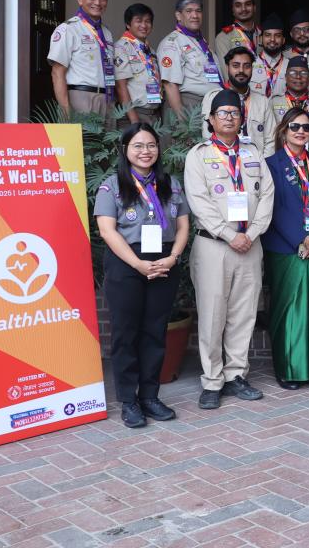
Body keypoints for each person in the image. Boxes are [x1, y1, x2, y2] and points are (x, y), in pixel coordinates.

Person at [183, 90, 275, 409]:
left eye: (234, 113)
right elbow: (199, 200)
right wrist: (228, 234)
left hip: (249, 244)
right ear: (210, 119)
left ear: (242, 119)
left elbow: (267, 197)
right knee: (212, 315)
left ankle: (236, 375)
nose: (229, 117)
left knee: (243, 314)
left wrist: (251, 232)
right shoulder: (198, 155)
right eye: (222, 113)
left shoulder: (253, 153)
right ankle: (212, 380)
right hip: (213, 245)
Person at [94, 123, 189, 427]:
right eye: (138, 145)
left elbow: (184, 225)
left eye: (150, 145)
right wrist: (137, 264)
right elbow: (107, 230)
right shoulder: (112, 185)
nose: (145, 151)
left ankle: (150, 396)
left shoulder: (171, 184)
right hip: (126, 264)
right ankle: (129, 401)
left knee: (155, 331)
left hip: (163, 262)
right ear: (125, 150)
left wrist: (173, 257)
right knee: (126, 334)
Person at [263, 109, 309, 389]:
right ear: (284, 129)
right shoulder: (271, 164)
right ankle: (289, 369)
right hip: (285, 247)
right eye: (295, 126)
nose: (301, 131)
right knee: (289, 308)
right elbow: (274, 209)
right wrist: (301, 239)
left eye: (307, 128)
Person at [49, 0, 116, 118]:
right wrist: (65, 111)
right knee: (82, 140)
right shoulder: (68, 29)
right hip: (80, 98)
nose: (97, 3)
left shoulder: (107, 33)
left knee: (108, 140)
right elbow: (57, 73)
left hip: (107, 98)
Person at [199, 47, 277, 156]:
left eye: (247, 66)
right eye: (235, 66)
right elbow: (207, 136)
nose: (241, 70)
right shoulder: (212, 97)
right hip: (222, 164)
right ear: (227, 67)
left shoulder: (262, 101)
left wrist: (263, 165)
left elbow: (271, 141)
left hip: (256, 166)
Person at [158, 0, 222, 117]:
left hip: (210, 106)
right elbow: (170, 84)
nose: (195, 15)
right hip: (190, 105)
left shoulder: (200, 42)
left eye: (198, 11)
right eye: (189, 11)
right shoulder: (172, 42)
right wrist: (183, 121)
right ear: (178, 15)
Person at [268, 56, 309, 156]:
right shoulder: (273, 103)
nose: (298, 77)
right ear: (286, 77)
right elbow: (270, 136)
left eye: (303, 73)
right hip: (281, 160)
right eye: (293, 73)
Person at [114, 3, 162, 125]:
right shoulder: (122, 48)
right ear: (128, 24)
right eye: (139, 21)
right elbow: (121, 86)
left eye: (148, 21)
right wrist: (134, 120)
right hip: (135, 115)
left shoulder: (150, 50)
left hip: (154, 114)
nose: (144, 25)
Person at [213, 0, 259, 77]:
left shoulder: (264, 34)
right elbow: (226, 74)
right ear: (233, 10)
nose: (244, 9)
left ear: (254, 8)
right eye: (238, 5)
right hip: (240, 89)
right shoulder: (224, 37)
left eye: (248, 4)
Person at [248, 13, 287, 98]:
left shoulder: (291, 66)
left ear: (283, 40)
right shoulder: (250, 64)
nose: (272, 39)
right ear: (260, 39)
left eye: (277, 35)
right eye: (267, 35)